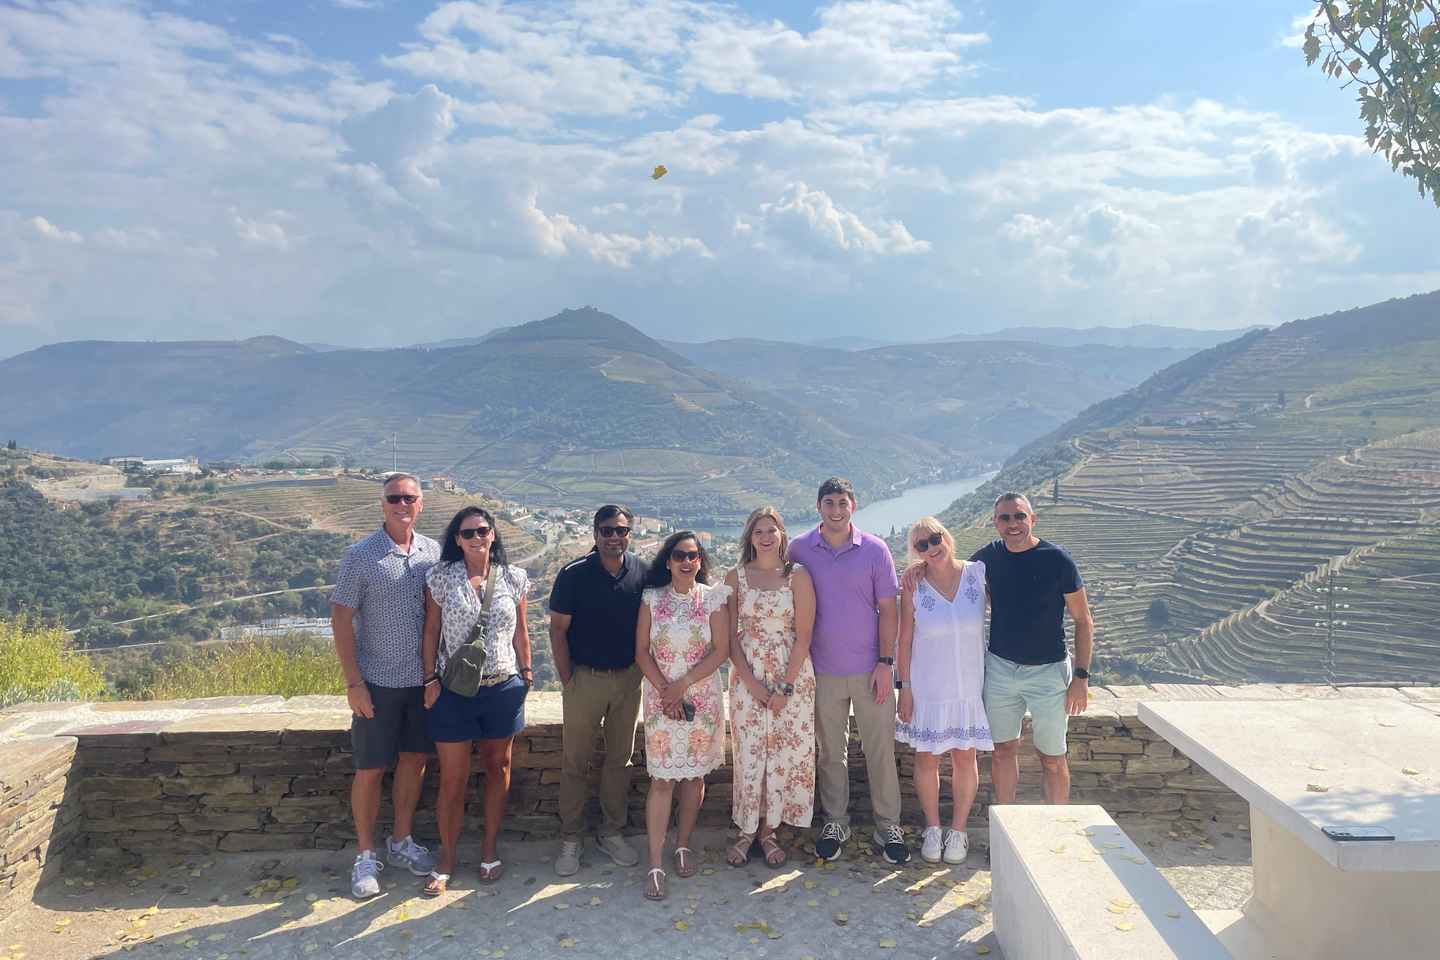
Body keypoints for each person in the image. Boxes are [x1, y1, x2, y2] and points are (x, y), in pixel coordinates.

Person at [905, 493, 1094, 805]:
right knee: (1003, 751)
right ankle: (1005, 825)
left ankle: (1058, 825)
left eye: (1019, 516)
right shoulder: (986, 560)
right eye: (1005, 518)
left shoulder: (1058, 560)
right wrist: (919, 568)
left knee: (1053, 758)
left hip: (1049, 671)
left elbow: (1083, 620)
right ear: (995, 523)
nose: (1013, 523)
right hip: (1000, 670)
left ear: (1032, 519)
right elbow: (947, 567)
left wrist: (1082, 678)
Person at [330, 472, 440, 899]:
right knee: (370, 768)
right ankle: (364, 855)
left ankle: (401, 841)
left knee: (414, 761)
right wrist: (353, 683)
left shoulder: (432, 552)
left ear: (421, 504)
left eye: (409, 498)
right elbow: (341, 618)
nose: (402, 504)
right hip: (376, 682)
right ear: (382, 504)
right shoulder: (360, 555)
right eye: (394, 498)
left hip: (422, 682)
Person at [788, 477, 909, 864]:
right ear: (818, 506)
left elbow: (889, 610)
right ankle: (835, 822)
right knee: (830, 754)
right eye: (829, 502)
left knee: (880, 751)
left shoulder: (875, 549)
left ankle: (888, 825)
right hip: (821, 671)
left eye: (843, 502)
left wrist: (885, 663)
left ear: (853, 506)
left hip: (870, 670)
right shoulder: (799, 548)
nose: (836, 510)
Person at [419, 506, 532, 895]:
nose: (476, 538)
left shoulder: (515, 578)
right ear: (457, 539)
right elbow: (431, 630)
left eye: (482, 530)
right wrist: (429, 678)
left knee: (498, 768)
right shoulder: (441, 577)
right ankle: (447, 857)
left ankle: (489, 849)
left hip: (502, 687)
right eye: (468, 533)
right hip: (454, 691)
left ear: (493, 534)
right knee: (453, 778)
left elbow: (521, 631)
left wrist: (526, 675)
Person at [548, 505, 646, 876]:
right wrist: (568, 679)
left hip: (628, 679)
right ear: (595, 533)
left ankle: (611, 832)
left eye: (621, 530)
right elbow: (557, 630)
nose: (614, 537)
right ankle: (571, 838)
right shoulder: (574, 574)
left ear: (629, 534)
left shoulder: (641, 572)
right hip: (585, 680)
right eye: (607, 530)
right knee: (576, 762)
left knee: (620, 761)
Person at [634, 531, 731, 900]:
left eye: (693, 555)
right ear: (668, 560)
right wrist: (666, 690)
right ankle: (655, 863)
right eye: (679, 555)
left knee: (693, 777)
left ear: (700, 560)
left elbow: (721, 650)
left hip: (700, 701)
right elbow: (641, 651)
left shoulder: (713, 598)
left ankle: (683, 845)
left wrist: (683, 685)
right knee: (662, 781)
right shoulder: (651, 598)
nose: (687, 561)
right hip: (661, 700)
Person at [895, 517, 992, 864]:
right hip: (928, 689)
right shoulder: (913, 586)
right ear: (916, 553)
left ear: (947, 537)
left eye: (934, 539)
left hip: (968, 688)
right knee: (927, 759)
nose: (931, 548)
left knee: (965, 758)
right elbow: (904, 641)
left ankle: (959, 831)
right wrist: (904, 688)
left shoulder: (978, 575)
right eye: (921, 545)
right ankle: (933, 828)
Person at [724, 506, 816, 868]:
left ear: (782, 535)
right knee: (750, 753)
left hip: (791, 673)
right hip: (747, 673)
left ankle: (768, 831)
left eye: (771, 530)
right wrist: (752, 684)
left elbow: (804, 636)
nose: (765, 537)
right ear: (750, 536)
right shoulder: (735, 577)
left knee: (783, 753)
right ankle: (746, 830)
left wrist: (785, 687)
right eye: (758, 531)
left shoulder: (798, 576)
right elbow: (729, 638)